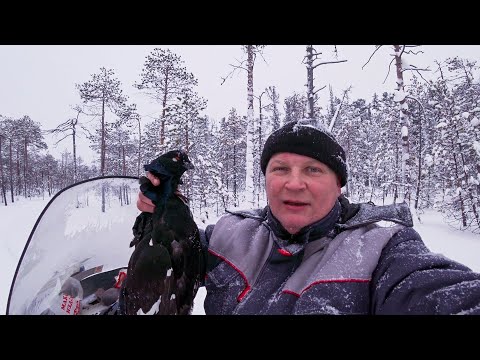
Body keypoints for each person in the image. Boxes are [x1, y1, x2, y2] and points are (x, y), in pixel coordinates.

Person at [136, 118, 480, 315]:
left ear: (339, 185)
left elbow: (440, 294)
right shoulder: (229, 233)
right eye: (280, 168)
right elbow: (174, 261)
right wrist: (164, 211)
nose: (294, 183)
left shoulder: (382, 249)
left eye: (313, 170)